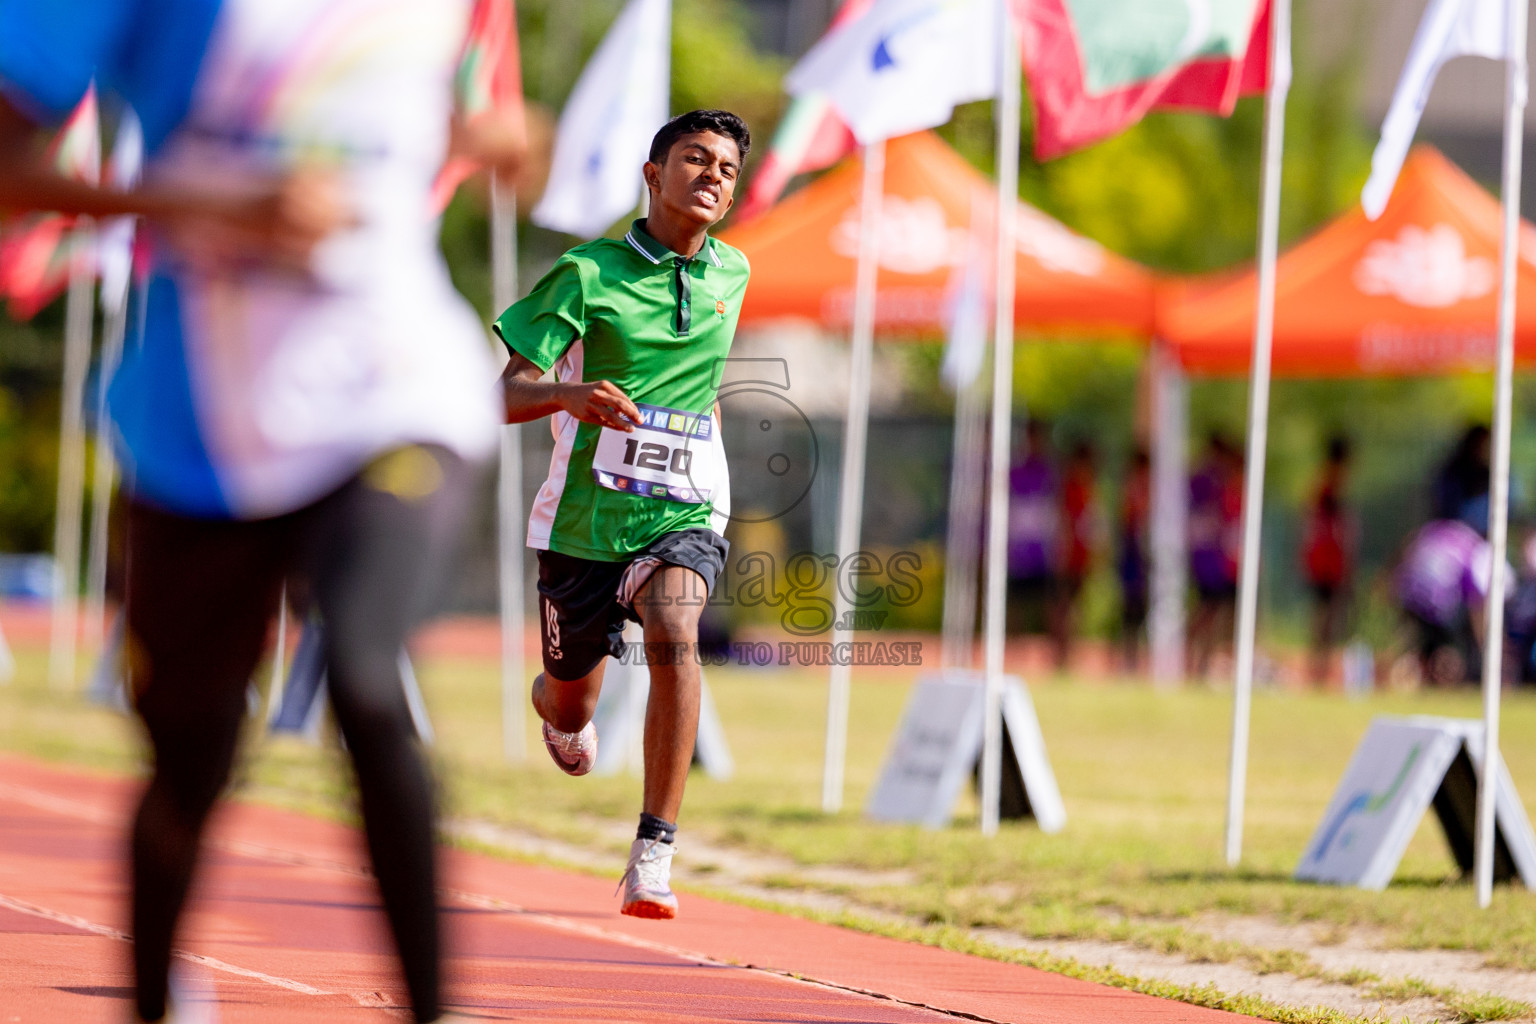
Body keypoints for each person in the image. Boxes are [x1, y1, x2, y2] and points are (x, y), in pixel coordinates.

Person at [0, 3, 522, 1022]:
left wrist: (485, 136)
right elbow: (13, 174)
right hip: (206, 422)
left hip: (398, 388)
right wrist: (216, 205)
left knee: (369, 681)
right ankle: (154, 1000)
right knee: (189, 762)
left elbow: (384, 111)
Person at [493, 109, 751, 921]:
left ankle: (654, 851)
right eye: (695, 159)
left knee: (676, 628)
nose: (713, 176)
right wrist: (570, 395)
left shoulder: (733, 273)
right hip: (582, 522)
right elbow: (499, 394)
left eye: (727, 169)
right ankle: (556, 703)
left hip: (685, 504)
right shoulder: (586, 273)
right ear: (653, 173)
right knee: (574, 699)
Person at [1395, 518, 1502, 686]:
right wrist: (1485, 644)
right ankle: (1439, 675)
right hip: (1437, 600)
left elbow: (1407, 547)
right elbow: (1477, 603)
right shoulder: (1474, 550)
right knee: (1447, 650)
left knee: (1426, 644)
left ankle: (1412, 672)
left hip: (1409, 591)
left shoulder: (1441, 530)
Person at [1301, 436, 1356, 685]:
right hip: (1328, 559)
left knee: (1325, 615)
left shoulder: (1322, 481)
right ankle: (1319, 669)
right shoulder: (1332, 483)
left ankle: (1319, 667)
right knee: (1326, 615)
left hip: (1323, 557)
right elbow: (1336, 526)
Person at [1188, 434, 1243, 679]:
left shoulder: (1218, 482)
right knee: (1210, 610)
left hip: (1216, 558)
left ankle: (1203, 662)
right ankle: (1194, 658)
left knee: (1217, 612)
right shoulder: (1210, 483)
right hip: (1210, 559)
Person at [1006, 419, 1059, 641]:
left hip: (1042, 551)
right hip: (1020, 550)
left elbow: (1055, 509)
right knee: (1015, 604)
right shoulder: (1015, 471)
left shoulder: (1049, 471)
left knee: (1050, 603)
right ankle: (1012, 652)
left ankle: (1056, 659)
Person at [1053, 439, 1098, 671]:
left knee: (1073, 606)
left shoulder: (1085, 486)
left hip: (1080, 555)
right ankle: (1061, 653)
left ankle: (1067, 652)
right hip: (1070, 555)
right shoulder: (1072, 487)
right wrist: (1065, 553)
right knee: (1064, 605)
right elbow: (1067, 523)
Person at [1116, 446, 1152, 674]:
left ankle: (1133, 657)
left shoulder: (1141, 490)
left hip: (1137, 552)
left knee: (1138, 608)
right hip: (1134, 551)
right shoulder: (1133, 490)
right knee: (1132, 607)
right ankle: (1128, 658)